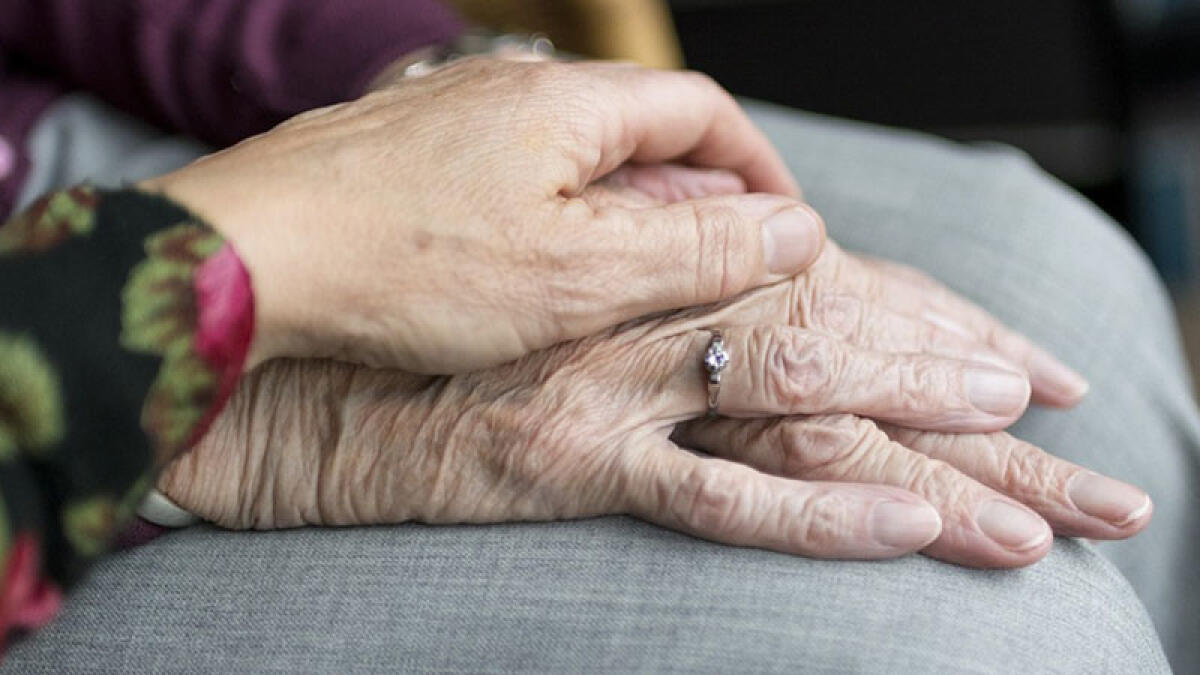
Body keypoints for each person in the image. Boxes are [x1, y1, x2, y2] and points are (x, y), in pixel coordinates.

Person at [0, 2, 1190, 673]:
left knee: (1060, 289)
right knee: (988, 639)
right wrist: (256, 398)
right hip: (50, 440)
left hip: (72, 126)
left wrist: (428, 94)